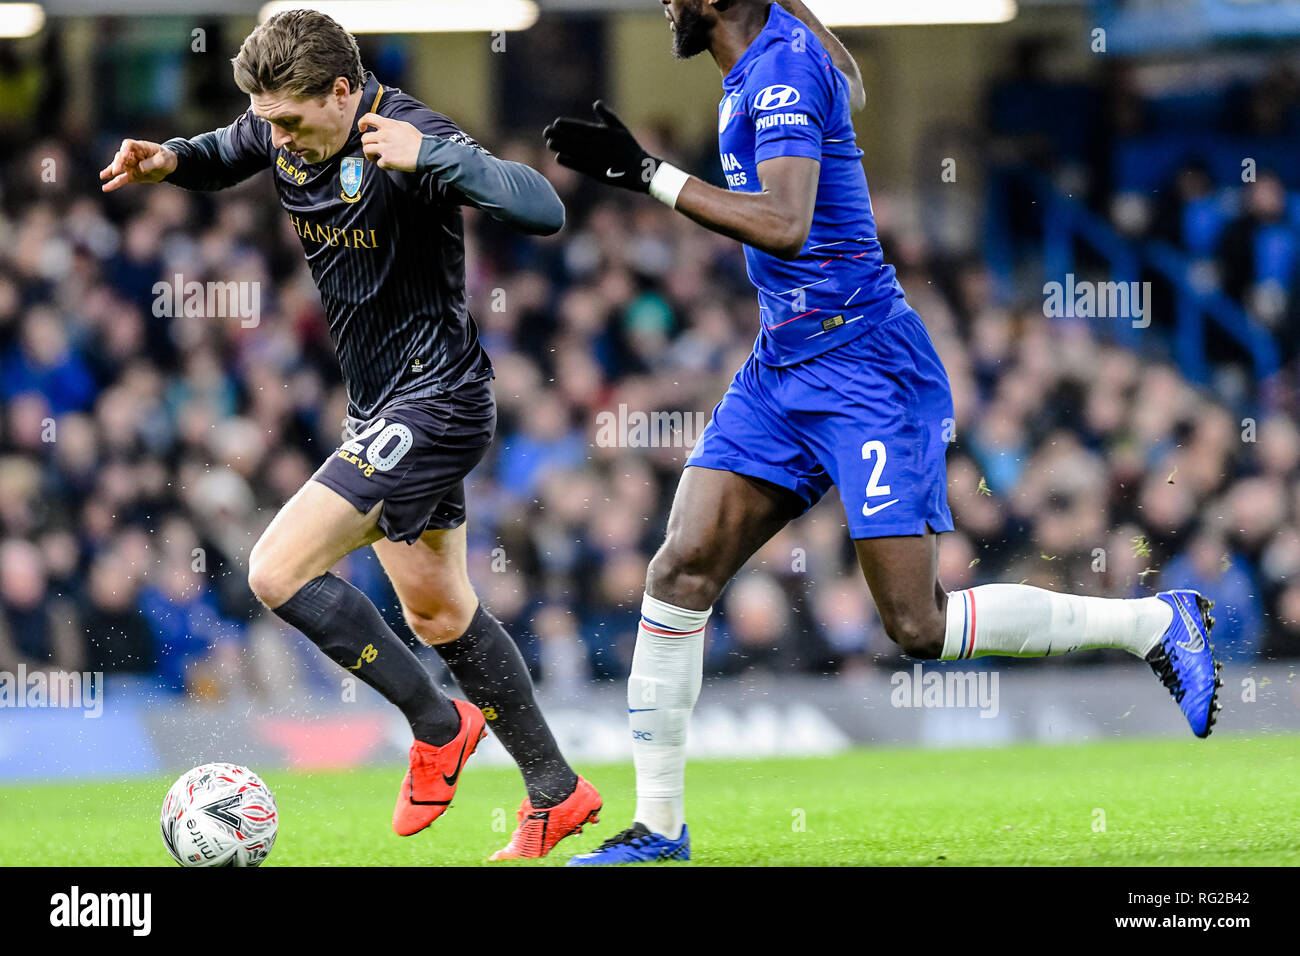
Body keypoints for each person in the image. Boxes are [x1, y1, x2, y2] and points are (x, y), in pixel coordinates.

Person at [544, 0, 1221, 866]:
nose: (665, 6)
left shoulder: (781, 67)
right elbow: (853, 87)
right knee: (680, 568)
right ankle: (660, 827)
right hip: (782, 367)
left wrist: (650, 175)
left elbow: (787, 225)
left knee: (915, 623)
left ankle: (1156, 627)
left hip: (865, 369)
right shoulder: (768, 53)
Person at [101, 8, 600, 860]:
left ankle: (437, 726)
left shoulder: (408, 137)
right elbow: (230, 151)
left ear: (343, 92)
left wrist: (436, 156)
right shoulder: (280, 125)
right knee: (440, 614)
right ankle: (558, 791)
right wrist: (171, 161)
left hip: (435, 401)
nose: (278, 136)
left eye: (292, 118)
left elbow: (542, 206)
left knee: (276, 569)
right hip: (379, 407)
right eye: (268, 117)